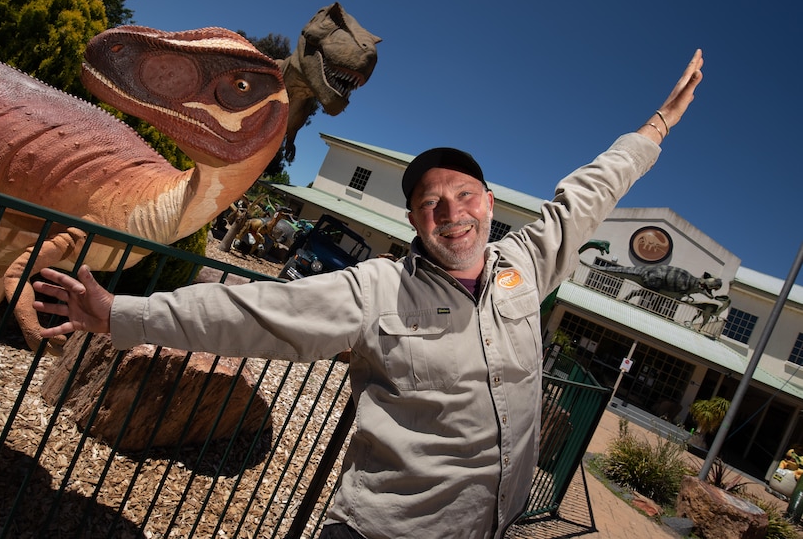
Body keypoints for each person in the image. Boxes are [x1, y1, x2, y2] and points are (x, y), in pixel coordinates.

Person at [34, 49, 704, 539]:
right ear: (414, 220)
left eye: (466, 195)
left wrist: (654, 131)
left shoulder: (525, 263)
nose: (452, 211)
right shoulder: (378, 289)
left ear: (490, 204)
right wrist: (120, 313)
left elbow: (588, 193)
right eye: (431, 202)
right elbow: (253, 312)